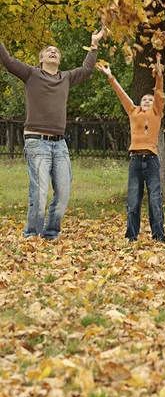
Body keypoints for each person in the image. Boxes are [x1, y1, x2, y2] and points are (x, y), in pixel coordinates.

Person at [0, 29, 104, 240]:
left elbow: (85, 70)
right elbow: (8, 61)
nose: (53, 52)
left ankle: (51, 234)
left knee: (63, 193)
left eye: (56, 51)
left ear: (59, 59)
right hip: (36, 142)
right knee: (39, 193)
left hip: (59, 144)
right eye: (48, 50)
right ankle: (32, 235)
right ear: (41, 59)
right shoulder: (31, 74)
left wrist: (94, 45)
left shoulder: (65, 78)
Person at [96, 54, 165, 243]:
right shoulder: (133, 111)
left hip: (151, 161)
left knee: (154, 200)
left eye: (150, 100)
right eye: (144, 99)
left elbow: (159, 93)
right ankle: (132, 236)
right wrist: (110, 77)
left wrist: (159, 75)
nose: (147, 101)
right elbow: (122, 95)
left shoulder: (157, 112)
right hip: (135, 160)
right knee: (133, 200)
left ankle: (158, 236)